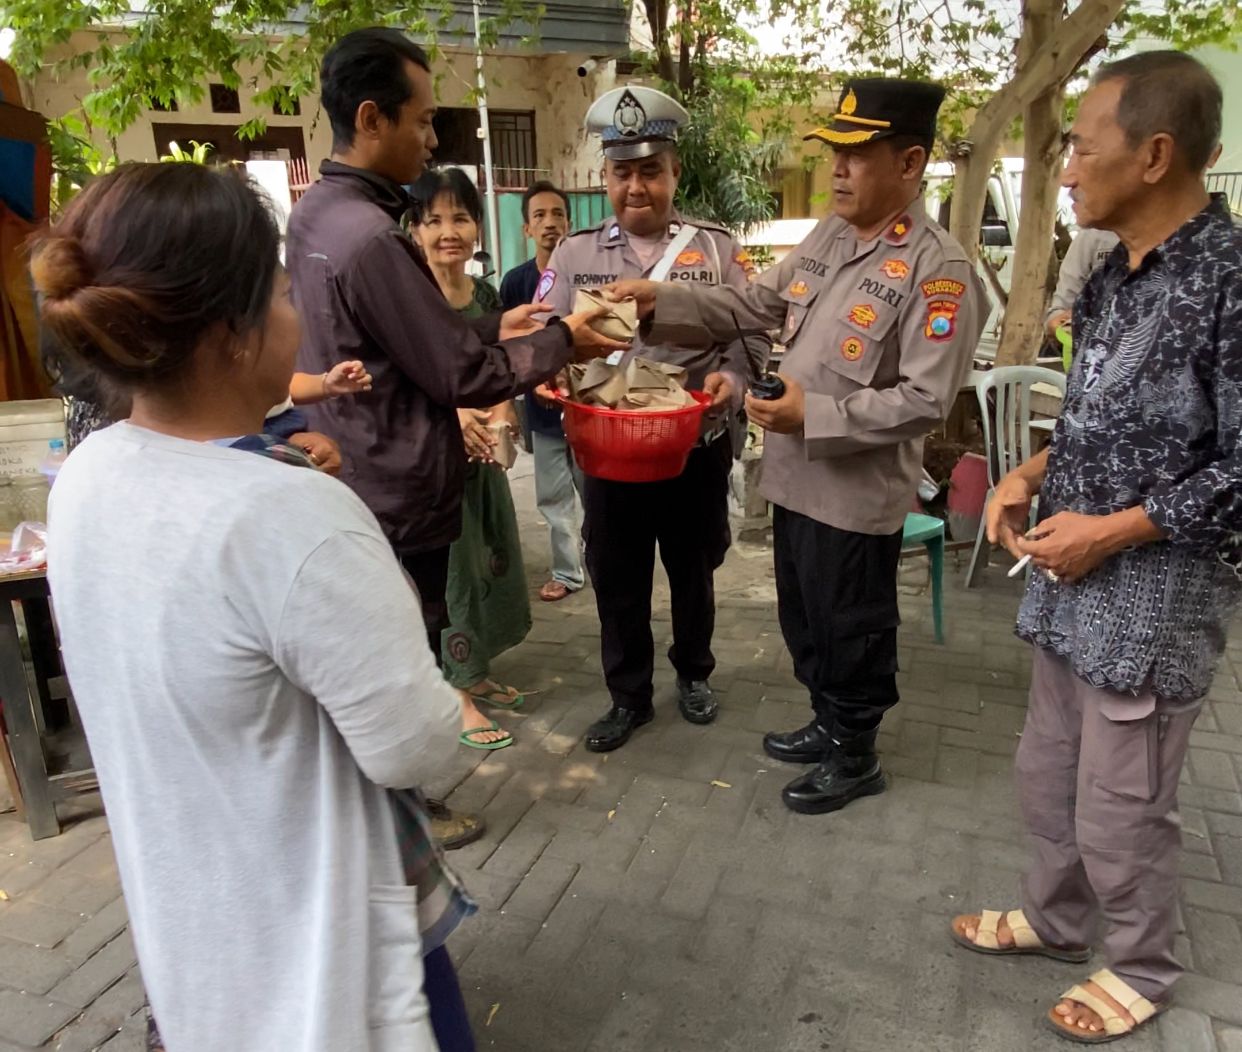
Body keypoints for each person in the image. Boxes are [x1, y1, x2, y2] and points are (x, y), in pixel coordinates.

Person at [36, 162, 467, 1051]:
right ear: (230, 335)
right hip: (317, 962)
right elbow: (414, 743)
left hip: (190, 939)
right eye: (278, 294)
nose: (296, 317)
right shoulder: (288, 513)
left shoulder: (89, 474)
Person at [950, 52, 1242, 1043]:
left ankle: (1146, 960)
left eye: (1081, 144)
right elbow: (1091, 422)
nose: (1067, 168)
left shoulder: (1229, 284)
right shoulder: (1113, 276)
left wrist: (1113, 530)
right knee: (1047, 771)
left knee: (1123, 806)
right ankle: (1058, 917)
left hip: (1153, 602)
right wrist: (1028, 476)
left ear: (1155, 154)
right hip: (1067, 585)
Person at [286, 28, 624, 846]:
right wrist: (565, 342)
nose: (433, 139)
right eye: (424, 120)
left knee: (378, 654)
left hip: (354, 469)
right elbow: (454, 376)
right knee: (400, 659)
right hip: (395, 484)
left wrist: (486, 327)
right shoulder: (368, 239)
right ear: (372, 118)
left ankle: (383, 808)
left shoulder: (318, 215)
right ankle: (402, 814)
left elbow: (404, 346)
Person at [610, 78, 986, 808]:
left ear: (910, 164)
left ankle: (856, 753)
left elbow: (924, 400)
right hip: (793, 477)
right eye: (835, 152)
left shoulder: (940, 270)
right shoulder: (830, 236)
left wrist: (816, 416)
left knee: (852, 626)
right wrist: (661, 301)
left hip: (854, 491)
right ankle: (826, 719)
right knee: (804, 615)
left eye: (857, 154)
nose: (839, 168)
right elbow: (752, 304)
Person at [537, 85, 768, 753]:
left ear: (673, 174)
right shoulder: (576, 256)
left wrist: (734, 376)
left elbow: (752, 336)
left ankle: (694, 674)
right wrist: (550, 372)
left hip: (691, 445)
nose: (635, 187)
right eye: (621, 173)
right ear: (604, 179)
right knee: (617, 573)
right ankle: (627, 695)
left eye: (650, 171)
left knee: (693, 568)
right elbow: (550, 338)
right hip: (609, 453)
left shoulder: (716, 250)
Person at [411, 167, 531, 749]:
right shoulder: (410, 300)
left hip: (487, 459)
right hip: (436, 466)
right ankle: (454, 692)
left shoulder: (485, 295)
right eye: (433, 220)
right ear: (415, 231)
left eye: (459, 217)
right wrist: (456, 416)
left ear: (477, 226)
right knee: (453, 573)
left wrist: (503, 410)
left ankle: (476, 671)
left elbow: (500, 364)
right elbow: (414, 379)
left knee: (489, 560)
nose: (447, 231)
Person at [499, 181, 585, 603]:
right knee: (553, 496)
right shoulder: (516, 283)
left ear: (569, 223)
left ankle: (603, 560)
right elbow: (507, 348)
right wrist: (516, 401)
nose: (550, 223)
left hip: (590, 407)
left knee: (598, 494)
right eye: (539, 216)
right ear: (526, 230)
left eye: (557, 215)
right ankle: (568, 573)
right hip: (543, 411)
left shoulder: (590, 272)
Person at [1045, 142, 1223, 339]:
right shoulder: (1099, 244)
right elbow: (1060, 312)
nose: (1068, 178)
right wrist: (1065, 323)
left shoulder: (1225, 264)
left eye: (1086, 153)